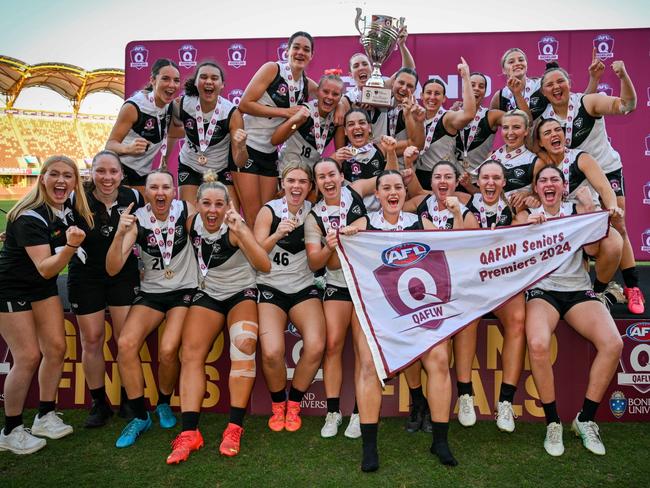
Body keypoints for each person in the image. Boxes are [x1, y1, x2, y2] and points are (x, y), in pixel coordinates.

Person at [340, 170, 458, 470]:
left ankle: (440, 441)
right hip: (376, 308)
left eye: (398, 187)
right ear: (377, 195)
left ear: (404, 194)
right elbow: (335, 257)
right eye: (386, 188)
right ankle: (369, 448)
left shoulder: (420, 223)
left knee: (440, 359)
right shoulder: (363, 224)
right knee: (368, 366)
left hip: (419, 307)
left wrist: (458, 216)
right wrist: (339, 240)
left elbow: (457, 246)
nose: (393, 192)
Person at [515, 165, 623, 457]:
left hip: (577, 289)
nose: (549, 185)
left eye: (555, 180)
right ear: (536, 189)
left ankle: (585, 418)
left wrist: (588, 212)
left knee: (614, 343)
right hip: (543, 291)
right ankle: (553, 422)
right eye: (543, 181)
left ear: (563, 187)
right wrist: (529, 229)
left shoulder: (576, 212)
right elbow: (513, 254)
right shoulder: (528, 216)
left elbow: (590, 251)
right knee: (537, 343)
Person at [166, 173, 270, 464]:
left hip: (241, 292)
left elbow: (264, 264)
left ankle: (234, 427)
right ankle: (190, 433)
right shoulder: (190, 223)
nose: (213, 210)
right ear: (197, 205)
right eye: (207, 204)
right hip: (208, 293)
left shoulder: (234, 227)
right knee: (190, 354)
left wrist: (244, 233)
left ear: (228, 206)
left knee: (245, 344)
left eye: (219, 204)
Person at [532, 61, 643, 314]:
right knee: (580, 232)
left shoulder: (588, 102)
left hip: (605, 169)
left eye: (560, 81)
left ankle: (632, 288)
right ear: (544, 92)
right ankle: (585, 287)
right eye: (549, 85)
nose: (556, 87)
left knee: (618, 224)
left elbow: (627, 105)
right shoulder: (546, 119)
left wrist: (623, 75)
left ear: (570, 83)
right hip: (576, 178)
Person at [0, 155, 93, 454]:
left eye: (68, 175)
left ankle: (44, 415)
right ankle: (11, 430)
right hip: (11, 289)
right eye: (55, 174)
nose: (62, 180)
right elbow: (46, 267)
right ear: (43, 178)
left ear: (75, 182)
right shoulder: (30, 217)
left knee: (55, 348)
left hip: (41, 289)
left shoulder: (63, 210)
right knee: (27, 356)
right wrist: (71, 247)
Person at [106, 170, 197, 448]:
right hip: (152, 294)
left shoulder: (186, 209)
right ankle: (139, 414)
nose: (160, 193)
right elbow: (112, 268)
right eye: (154, 187)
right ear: (145, 192)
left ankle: (164, 403)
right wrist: (119, 234)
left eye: (166, 187)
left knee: (169, 349)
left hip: (183, 291)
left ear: (174, 191)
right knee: (126, 344)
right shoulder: (136, 221)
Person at [304, 157, 389, 439]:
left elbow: (386, 183)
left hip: (365, 285)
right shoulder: (313, 216)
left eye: (332, 174)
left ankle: (357, 412)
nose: (327, 181)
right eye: (321, 177)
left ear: (342, 176)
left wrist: (362, 225)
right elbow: (316, 263)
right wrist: (330, 247)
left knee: (364, 353)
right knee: (332, 346)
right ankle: (332, 411)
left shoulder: (355, 191)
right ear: (316, 183)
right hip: (338, 285)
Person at [67, 151, 143, 428]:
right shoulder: (77, 197)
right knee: (92, 339)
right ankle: (99, 403)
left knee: (126, 339)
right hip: (86, 275)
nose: (107, 178)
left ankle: (129, 398)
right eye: (101, 171)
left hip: (123, 274)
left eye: (113, 172)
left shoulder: (133, 198)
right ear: (91, 172)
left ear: (122, 174)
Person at [404, 160, 481, 429]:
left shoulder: (467, 212)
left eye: (448, 176)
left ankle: (465, 392)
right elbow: (392, 215)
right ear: (432, 182)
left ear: (457, 181)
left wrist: (457, 215)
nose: (442, 181)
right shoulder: (419, 207)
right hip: (425, 289)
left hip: (457, 285)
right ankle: (419, 401)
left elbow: (465, 249)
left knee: (467, 320)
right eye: (437, 177)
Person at [254, 161, 325, 432]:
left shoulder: (314, 213)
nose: (296, 186)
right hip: (271, 287)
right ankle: (277, 404)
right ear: (283, 184)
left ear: (309, 187)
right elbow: (256, 253)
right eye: (291, 181)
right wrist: (277, 234)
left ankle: (294, 402)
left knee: (316, 345)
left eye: (302, 182)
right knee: (272, 352)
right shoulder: (268, 211)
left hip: (303, 287)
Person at [534, 117, 625, 306]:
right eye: (547, 133)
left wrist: (612, 206)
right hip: (558, 223)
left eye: (557, 130)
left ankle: (599, 292)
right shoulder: (540, 164)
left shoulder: (581, 157)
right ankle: (544, 292)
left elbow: (604, 188)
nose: (554, 134)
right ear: (541, 143)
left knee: (614, 242)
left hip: (586, 219)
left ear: (564, 135)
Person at [464, 160, 525, 431]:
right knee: (466, 318)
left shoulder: (516, 206)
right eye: (485, 178)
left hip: (504, 283)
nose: (490, 183)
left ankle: (505, 402)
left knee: (518, 321)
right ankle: (465, 393)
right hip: (473, 283)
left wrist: (527, 217)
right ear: (478, 182)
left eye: (496, 178)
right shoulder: (465, 203)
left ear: (504, 182)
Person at [237, 32, 318, 226]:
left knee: (268, 213)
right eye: (296, 47)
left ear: (312, 56)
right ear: (287, 51)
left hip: (270, 152)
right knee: (252, 215)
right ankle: (254, 257)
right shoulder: (273, 69)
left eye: (306, 49)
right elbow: (244, 104)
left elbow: (328, 92)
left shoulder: (306, 84)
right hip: (248, 148)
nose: (300, 52)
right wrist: (286, 112)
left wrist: (341, 104)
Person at [173, 61, 248, 207]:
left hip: (220, 169)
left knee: (231, 219)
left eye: (214, 78)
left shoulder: (231, 113)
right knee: (189, 218)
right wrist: (164, 160)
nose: (208, 81)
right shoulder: (182, 104)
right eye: (203, 77)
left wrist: (242, 146)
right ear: (195, 82)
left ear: (222, 85)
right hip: (190, 166)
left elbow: (240, 162)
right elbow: (171, 132)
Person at [106, 59, 181, 192]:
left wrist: (165, 159)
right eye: (165, 79)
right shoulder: (134, 107)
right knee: (126, 208)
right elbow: (110, 144)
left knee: (146, 209)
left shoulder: (171, 107)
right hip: (120, 168)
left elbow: (174, 134)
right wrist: (128, 148)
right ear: (152, 80)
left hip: (142, 173)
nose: (172, 85)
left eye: (176, 80)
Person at [415, 58, 476, 190]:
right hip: (419, 176)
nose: (432, 97)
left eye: (437, 94)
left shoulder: (447, 118)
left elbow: (469, 114)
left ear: (444, 98)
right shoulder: (415, 116)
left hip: (443, 178)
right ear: (421, 95)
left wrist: (466, 77)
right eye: (428, 93)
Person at [272, 74, 344, 172]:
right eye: (325, 91)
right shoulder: (304, 110)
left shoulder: (337, 118)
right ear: (317, 91)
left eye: (335, 94)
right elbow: (275, 140)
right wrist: (294, 123)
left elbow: (340, 153)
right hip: (287, 170)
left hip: (312, 175)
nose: (330, 97)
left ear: (340, 97)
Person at [331, 109, 398, 212]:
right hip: (352, 213)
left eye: (362, 122)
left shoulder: (381, 148)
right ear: (345, 131)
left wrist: (391, 152)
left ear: (370, 127)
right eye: (351, 124)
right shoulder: (339, 156)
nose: (357, 127)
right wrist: (335, 162)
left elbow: (392, 178)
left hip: (380, 213)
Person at [454, 72, 505, 191]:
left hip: (480, 183)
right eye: (472, 85)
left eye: (481, 86)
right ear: (465, 88)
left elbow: (521, 121)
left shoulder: (492, 116)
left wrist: (501, 153)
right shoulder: (452, 115)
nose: (476, 88)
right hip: (454, 182)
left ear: (485, 92)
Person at [484, 109, 538, 213]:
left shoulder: (535, 162)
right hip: (489, 215)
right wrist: (467, 184)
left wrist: (527, 194)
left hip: (517, 219)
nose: (510, 132)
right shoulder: (492, 156)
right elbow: (481, 192)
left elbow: (540, 194)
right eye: (505, 127)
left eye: (516, 127)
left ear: (526, 130)